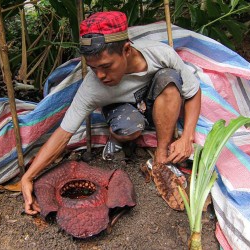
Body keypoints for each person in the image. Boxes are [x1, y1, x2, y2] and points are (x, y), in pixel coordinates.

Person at [21, 11, 201, 215]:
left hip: (156, 103)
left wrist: (187, 136)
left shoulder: (160, 54)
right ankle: (116, 139)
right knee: (128, 127)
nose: (100, 75)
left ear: (126, 50)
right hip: (124, 113)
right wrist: (28, 177)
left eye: (106, 66)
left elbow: (193, 92)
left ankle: (160, 156)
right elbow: (64, 133)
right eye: (93, 68)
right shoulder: (92, 87)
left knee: (169, 79)